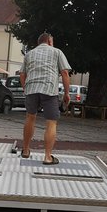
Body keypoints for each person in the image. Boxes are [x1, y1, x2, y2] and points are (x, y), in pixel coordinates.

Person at [20, 32, 71, 165]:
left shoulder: (29, 54)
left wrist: (26, 88)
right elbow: (65, 72)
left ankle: (25, 150)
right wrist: (66, 93)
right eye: (52, 42)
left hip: (31, 89)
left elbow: (22, 74)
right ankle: (48, 157)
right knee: (51, 122)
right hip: (49, 89)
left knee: (30, 117)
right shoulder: (57, 52)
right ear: (49, 41)